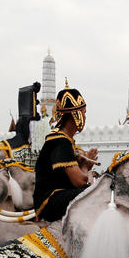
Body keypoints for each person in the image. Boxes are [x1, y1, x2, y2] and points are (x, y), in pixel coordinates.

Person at [33, 83, 98, 222]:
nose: (85, 117)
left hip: (60, 195)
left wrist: (83, 163)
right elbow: (79, 181)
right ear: (75, 114)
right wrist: (86, 167)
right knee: (95, 195)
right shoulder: (60, 141)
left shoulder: (65, 140)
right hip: (50, 201)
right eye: (84, 113)